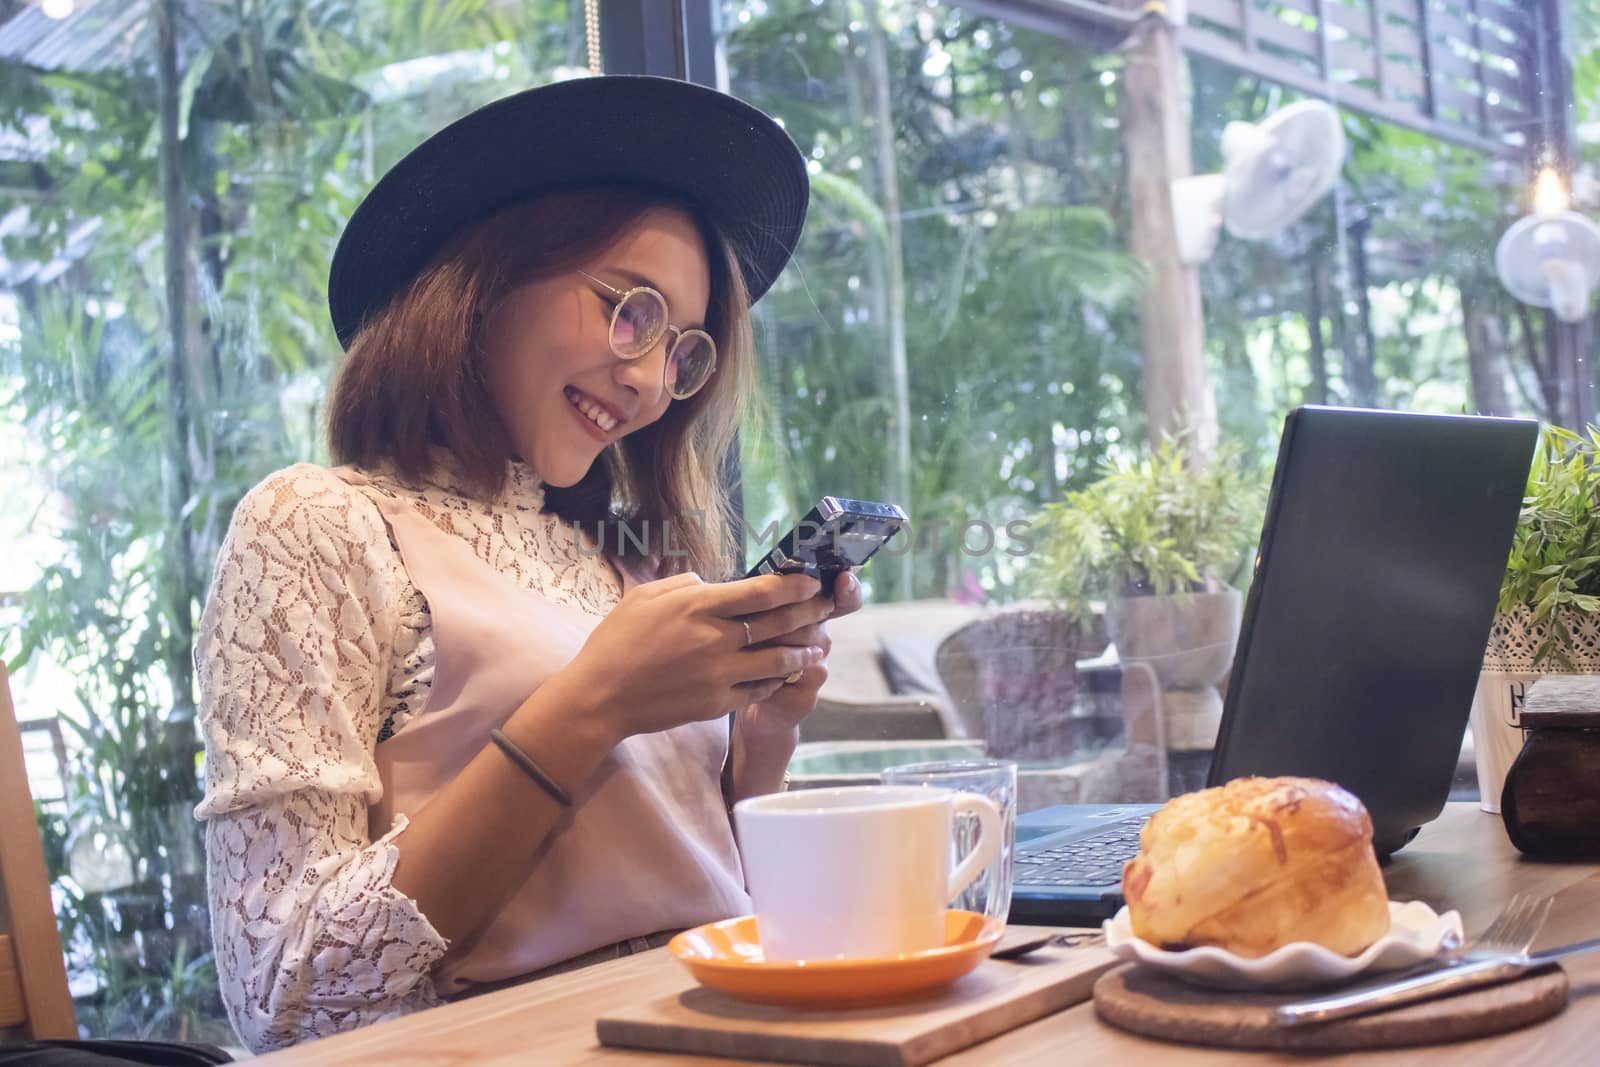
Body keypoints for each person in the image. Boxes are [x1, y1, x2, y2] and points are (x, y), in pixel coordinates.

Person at [193, 76, 861, 1053]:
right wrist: (590, 705)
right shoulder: (319, 523)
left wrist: (758, 742)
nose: (645, 383)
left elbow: (725, 902)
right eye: (628, 309)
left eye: (680, 350)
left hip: (731, 1028)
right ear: (487, 273)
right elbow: (283, 998)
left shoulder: (621, 557)